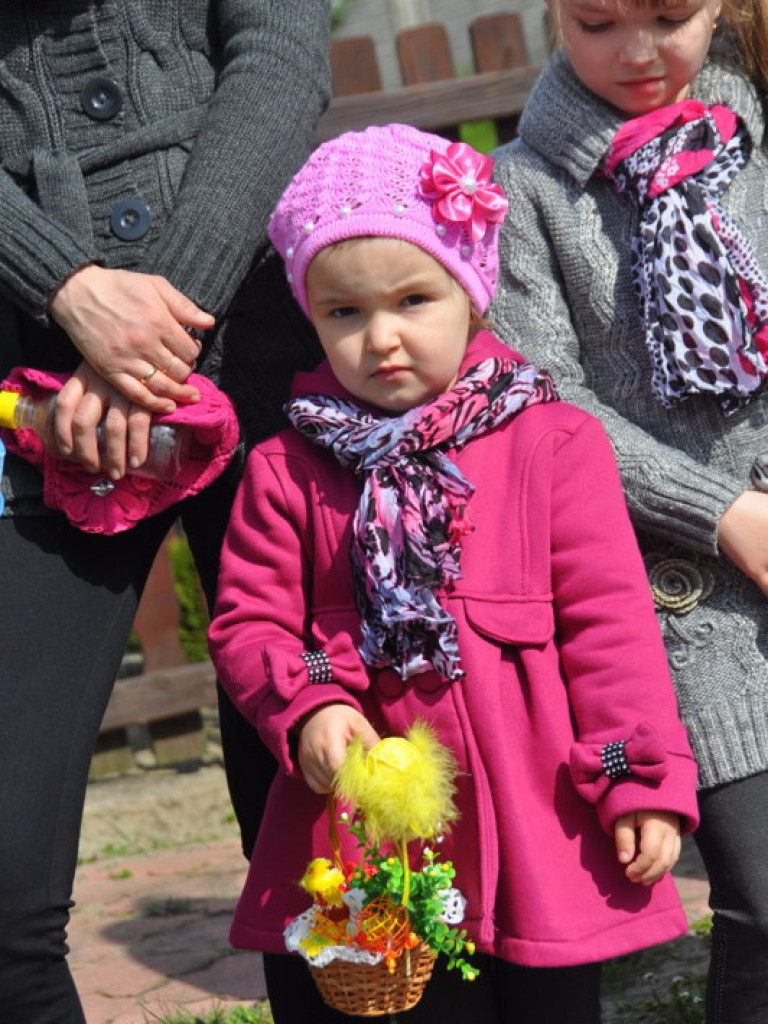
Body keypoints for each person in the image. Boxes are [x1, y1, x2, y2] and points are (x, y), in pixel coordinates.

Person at [208, 122, 700, 1024]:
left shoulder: (553, 443)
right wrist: (310, 701)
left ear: (471, 293)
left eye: (413, 300)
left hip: (538, 811)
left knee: (552, 1006)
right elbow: (249, 622)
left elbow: (611, 629)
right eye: (344, 314)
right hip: (375, 831)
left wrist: (638, 782)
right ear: (309, 315)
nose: (382, 338)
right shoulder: (287, 467)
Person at [0, 3, 330, 1021]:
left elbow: (279, 51)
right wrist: (63, 286)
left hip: (266, 342)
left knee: (320, 845)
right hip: (31, 391)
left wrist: (151, 325)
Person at [490, 0, 768, 1020]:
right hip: (681, 608)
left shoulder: (757, 147)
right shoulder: (525, 190)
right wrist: (719, 511)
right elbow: (542, 402)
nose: (638, 52)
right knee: (764, 911)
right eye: (599, 21)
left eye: (669, 15)